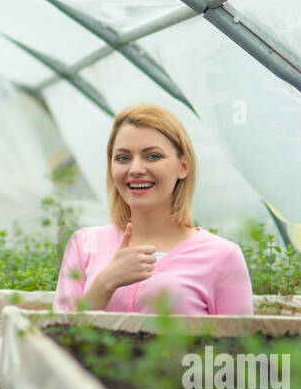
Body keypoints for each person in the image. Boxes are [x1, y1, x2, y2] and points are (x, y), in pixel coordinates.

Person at [54, 104, 253, 315]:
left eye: (153, 156)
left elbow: (237, 345)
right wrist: (105, 282)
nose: (136, 169)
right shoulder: (84, 245)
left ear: (183, 167)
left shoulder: (222, 257)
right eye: (123, 158)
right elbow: (56, 339)